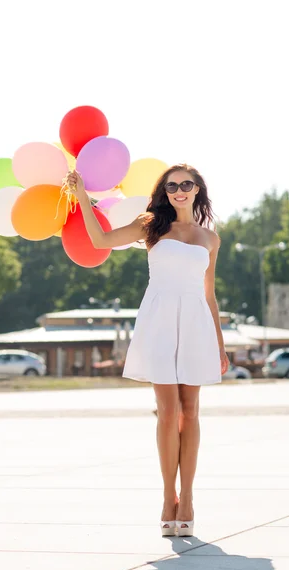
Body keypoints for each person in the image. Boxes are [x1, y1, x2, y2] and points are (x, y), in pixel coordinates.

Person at [66, 164, 229, 538]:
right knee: (168, 412)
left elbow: (209, 295)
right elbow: (102, 240)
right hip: (158, 320)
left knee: (191, 411)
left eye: (186, 184)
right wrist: (81, 199)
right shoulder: (151, 226)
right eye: (172, 186)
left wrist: (219, 344)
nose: (179, 191)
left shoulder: (210, 239)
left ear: (197, 190)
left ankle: (187, 498)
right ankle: (167, 496)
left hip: (196, 325)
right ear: (166, 192)